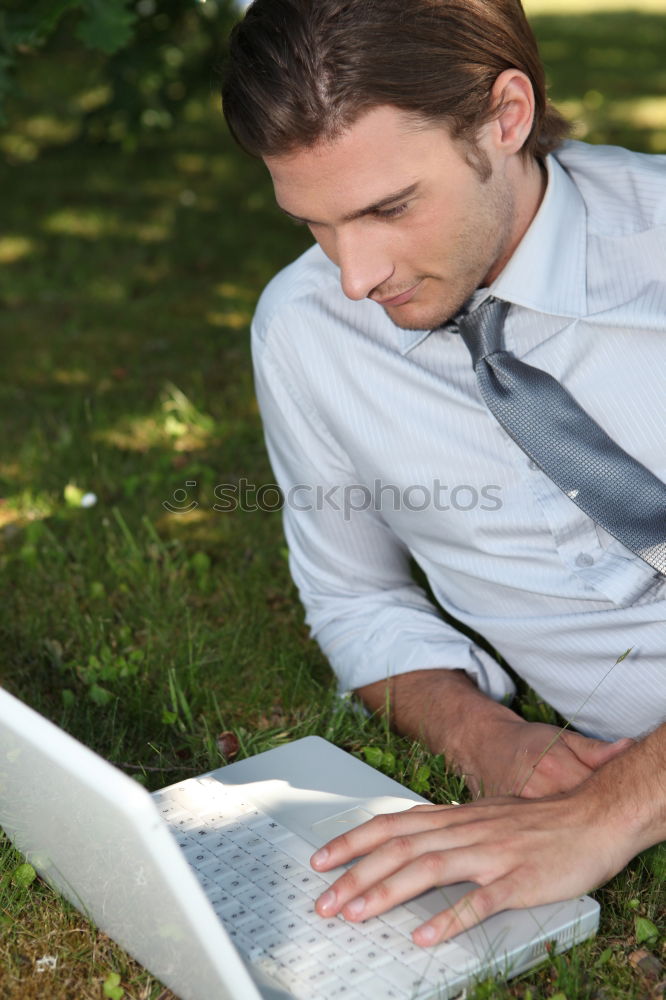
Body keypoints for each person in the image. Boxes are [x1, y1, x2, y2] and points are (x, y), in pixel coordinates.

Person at [222, 0, 666, 947]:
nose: (356, 275)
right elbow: (352, 598)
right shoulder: (307, 331)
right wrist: (490, 741)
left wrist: (613, 810)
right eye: (313, 222)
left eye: (389, 207)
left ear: (505, 117)